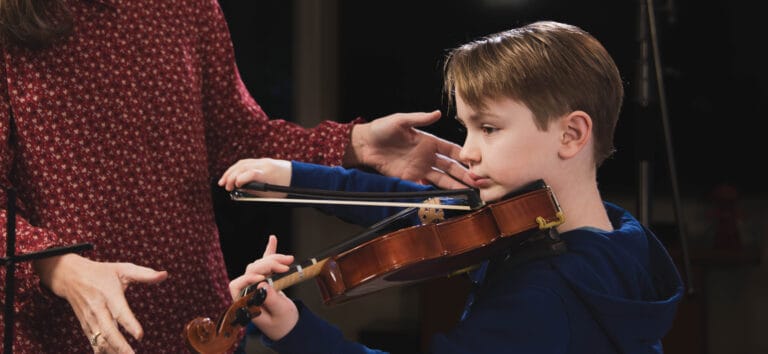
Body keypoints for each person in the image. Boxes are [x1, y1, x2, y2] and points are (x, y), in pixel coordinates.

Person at [0, 0, 470, 353]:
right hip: (59, 330)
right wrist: (58, 268)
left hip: (201, 326)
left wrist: (356, 144)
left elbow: (235, 139)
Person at [223, 21, 685, 353]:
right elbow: (418, 211)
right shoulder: (614, 237)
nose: (466, 152)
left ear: (571, 134)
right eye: (467, 129)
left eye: (489, 128)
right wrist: (293, 177)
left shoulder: (544, 296)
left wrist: (297, 332)